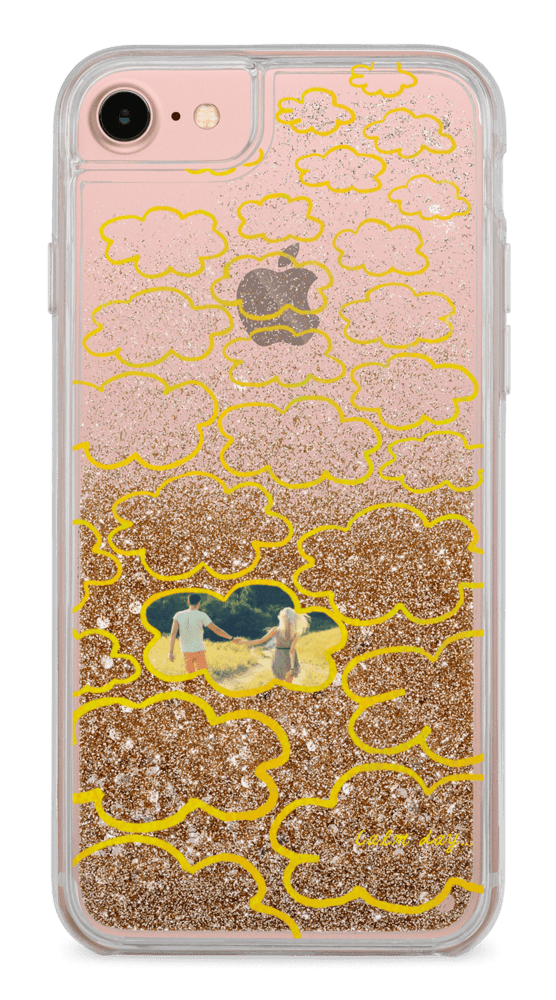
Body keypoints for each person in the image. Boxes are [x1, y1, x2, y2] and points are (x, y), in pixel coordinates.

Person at [236, 607, 309, 683]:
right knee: (289, 684)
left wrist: (243, 642)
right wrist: (292, 668)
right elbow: (292, 650)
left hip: (279, 657)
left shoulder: (276, 630)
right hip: (289, 660)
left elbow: (260, 641)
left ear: (282, 618)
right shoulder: (295, 633)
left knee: (280, 682)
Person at [169, 594, 234, 674]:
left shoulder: (178, 615)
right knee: (203, 676)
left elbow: (173, 634)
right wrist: (231, 638)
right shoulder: (202, 615)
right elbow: (216, 630)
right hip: (199, 651)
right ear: (199, 603)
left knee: (191, 677)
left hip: (186, 651)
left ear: (188, 603)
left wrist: (171, 652)